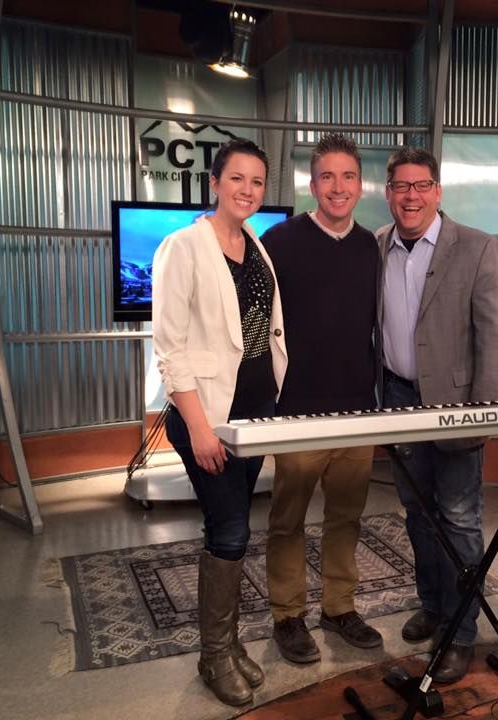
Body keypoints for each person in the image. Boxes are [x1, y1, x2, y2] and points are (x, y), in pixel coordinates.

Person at [152, 138, 287, 706]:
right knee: (229, 530)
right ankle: (214, 656)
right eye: (237, 179)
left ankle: (227, 645)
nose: (247, 190)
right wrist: (200, 428)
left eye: (257, 181)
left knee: (233, 529)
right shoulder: (183, 246)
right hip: (208, 416)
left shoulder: (255, 244)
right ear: (214, 183)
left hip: (254, 414)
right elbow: (170, 348)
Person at [376, 146, 498, 683]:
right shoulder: (377, 245)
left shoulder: (476, 246)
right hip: (397, 400)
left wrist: (483, 415)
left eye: (421, 186)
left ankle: (459, 632)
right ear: (388, 193)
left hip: (458, 407)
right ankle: (432, 605)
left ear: (437, 191)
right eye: (400, 186)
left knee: (458, 519)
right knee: (417, 512)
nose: (410, 196)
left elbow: (494, 338)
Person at [261, 133, 382, 663]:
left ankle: (339, 607)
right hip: (296, 412)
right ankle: (287, 615)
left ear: (360, 185)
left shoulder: (371, 247)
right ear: (312, 185)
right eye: (327, 176)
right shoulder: (279, 241)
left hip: (357, 410)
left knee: (346, 516)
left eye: (348, 176)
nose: (338, 186)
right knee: (287, 519)